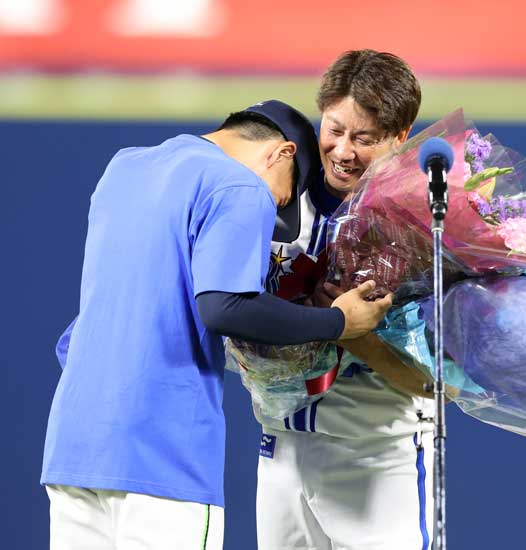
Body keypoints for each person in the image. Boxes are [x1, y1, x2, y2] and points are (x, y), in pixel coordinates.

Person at [41, 100, 392, 550]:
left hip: (73, 447)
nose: (274, 207)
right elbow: (225, 305)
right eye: (283, 196)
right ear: (281, 154)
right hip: (163, 454)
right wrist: (337, 321)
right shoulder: (240, 184)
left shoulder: (123, 169)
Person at [252, 51, 435, 550]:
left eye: (365, 138)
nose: (343, 151)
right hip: (280, 452)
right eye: (335, 129)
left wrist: (353, 332)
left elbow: (440, 385)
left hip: (380, 458)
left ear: (401, 136)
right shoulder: (275, 196)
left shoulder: (426, 229)